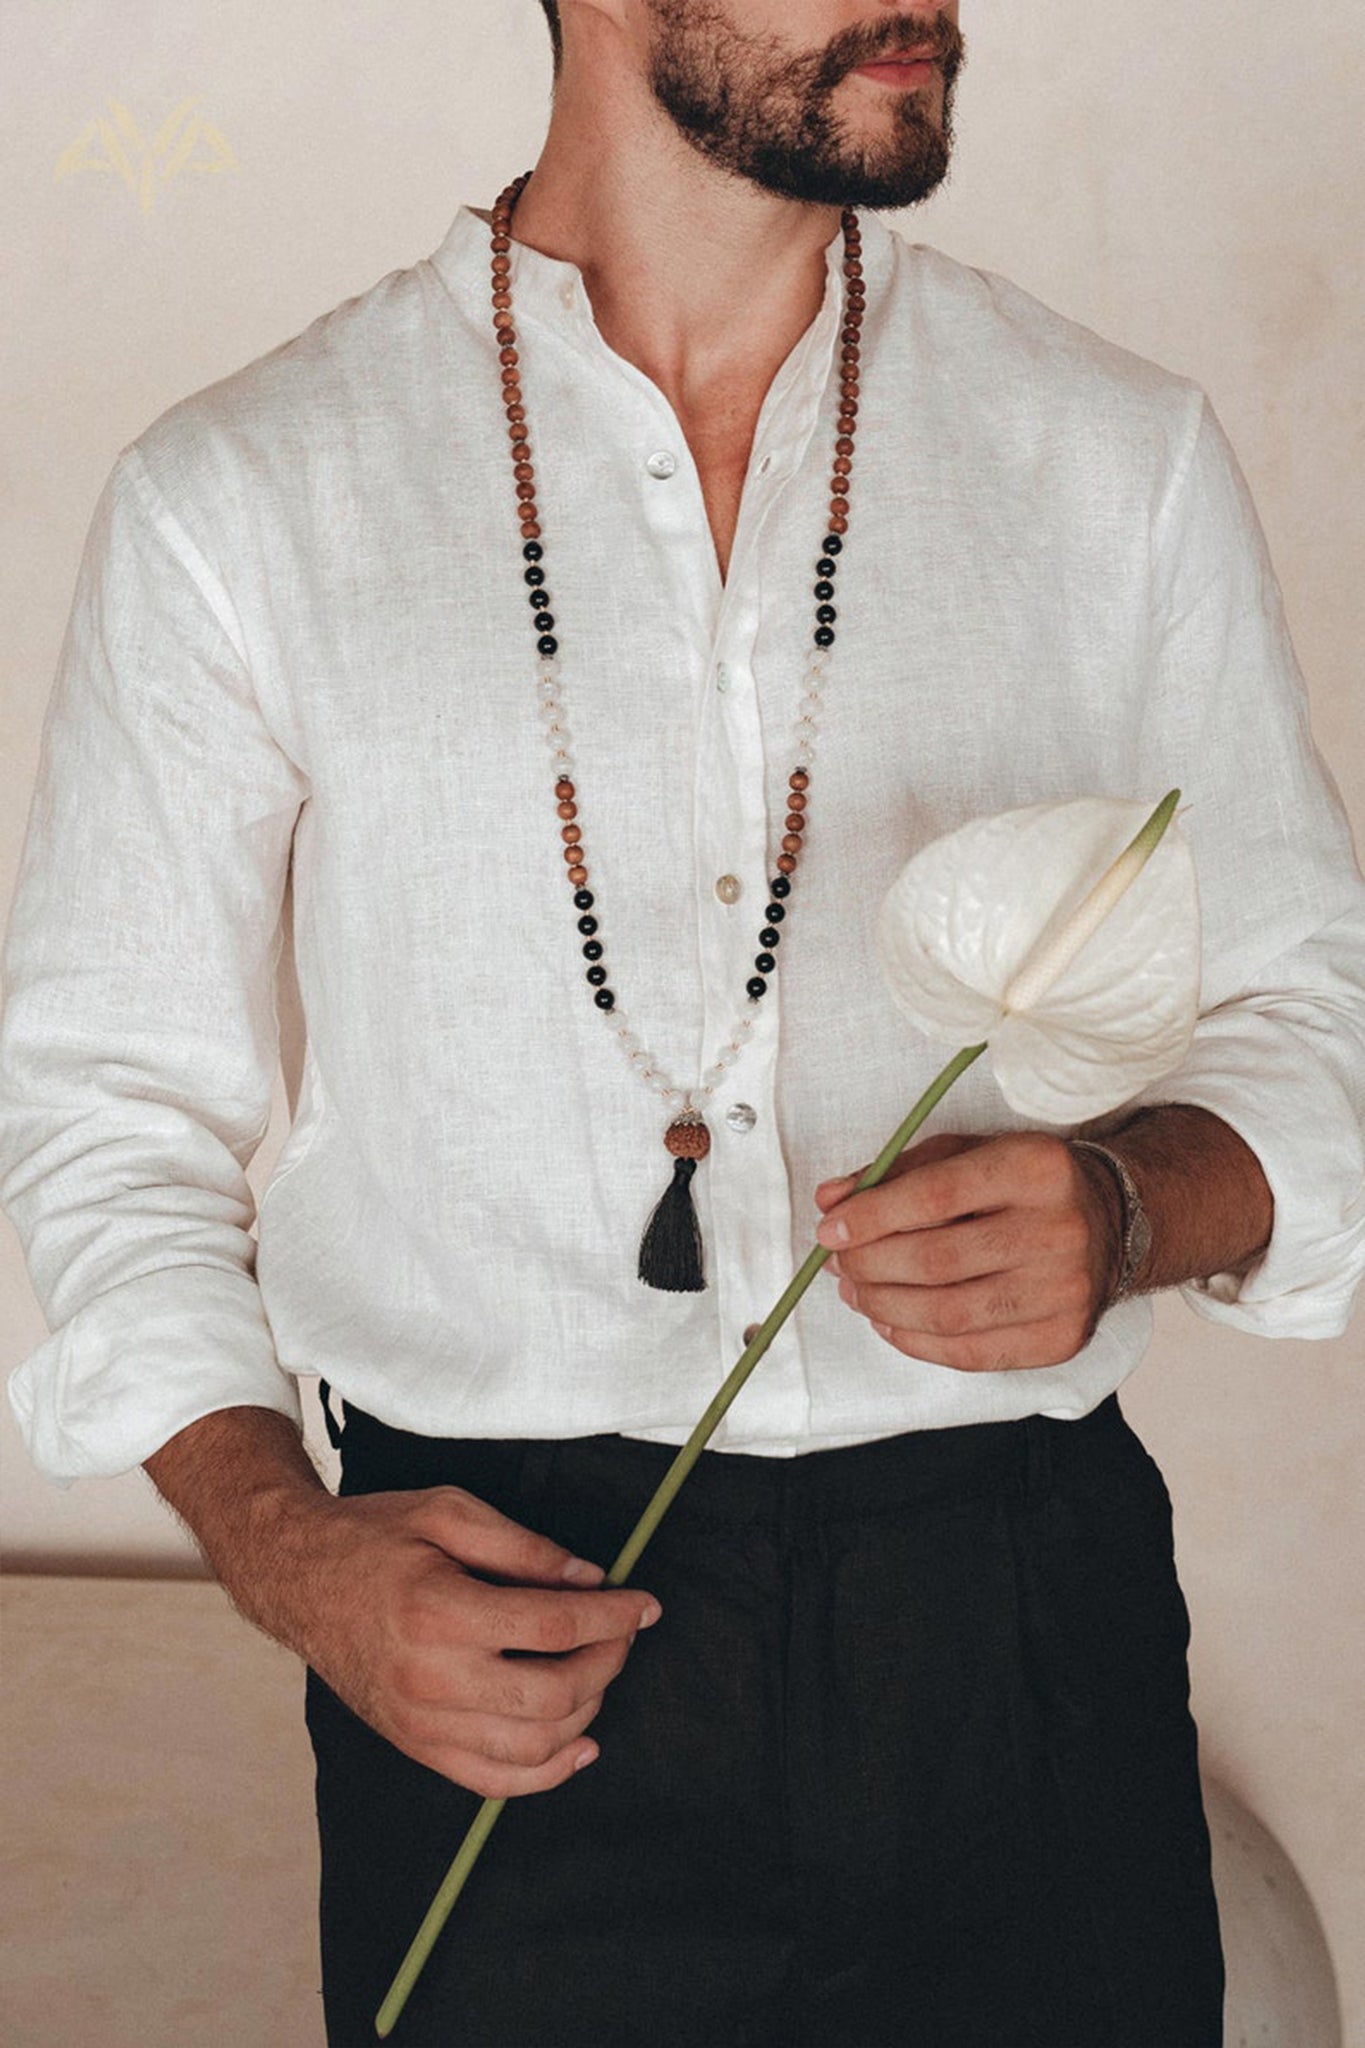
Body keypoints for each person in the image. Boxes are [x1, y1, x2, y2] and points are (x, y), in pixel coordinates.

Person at [3, 1, 1363, 2042]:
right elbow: (106, 1109)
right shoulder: (246, 497)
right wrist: (289, 1553)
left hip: (1012, 1637)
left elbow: (1311, 1010)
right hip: (489, 1654)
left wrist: (1135, 1200)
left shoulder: (1109, 452)